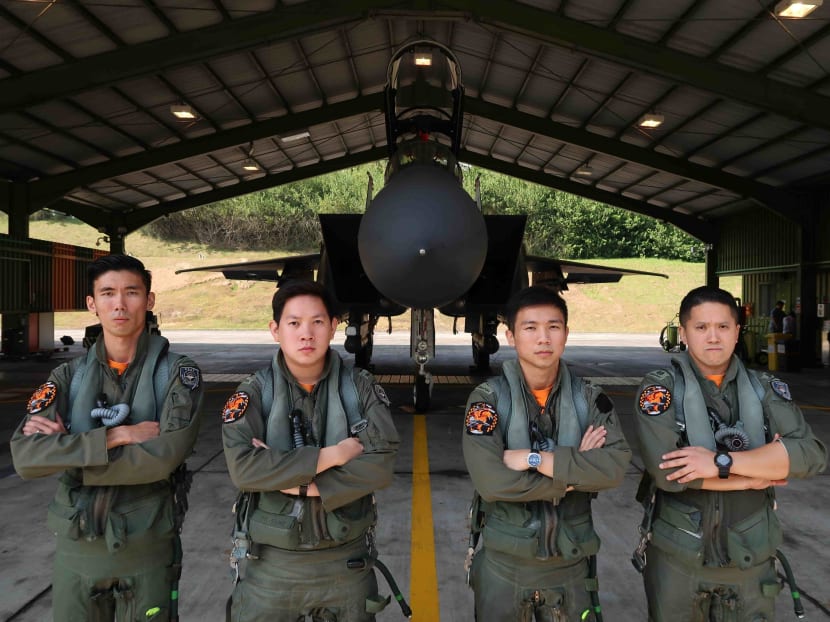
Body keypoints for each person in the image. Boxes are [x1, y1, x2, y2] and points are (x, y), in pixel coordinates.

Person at [10, 254, 205, 621]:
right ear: (92, 303)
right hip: (76, 550)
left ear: (149, 301)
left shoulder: (177, 373)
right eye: (108, 293)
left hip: (146, 549)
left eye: (131, 292)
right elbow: (25, 457)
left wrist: (68, 454)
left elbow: (164, 457)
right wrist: (115, 437)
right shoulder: (69, 376)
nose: (119, 304)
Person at [633, 286, 827, 622]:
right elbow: (668, 474)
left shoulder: (765, 389)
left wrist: (720, 463)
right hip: (679, 556)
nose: (713, 337)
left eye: (723, 327)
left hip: (750, 554)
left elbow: (811, 454)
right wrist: (758, 473)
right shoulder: (661, 389)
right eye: (701, 327)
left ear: (737, 332)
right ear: (683, 333)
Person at [222, 280, 400, 622]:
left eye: (317, 322)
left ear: (334, 326)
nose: (306, 334)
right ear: (275, 330)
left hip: (345, 565)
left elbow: (381, 464)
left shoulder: (360, 388)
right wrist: (334, 456)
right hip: (272, 569)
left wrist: (290, 478)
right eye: (294, 323)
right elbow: (244, 469)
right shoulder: (254, 392)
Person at [462, 285, 631, 621]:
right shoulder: (487, 400)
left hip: (571, 563)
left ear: (566, 334)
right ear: (511, 336)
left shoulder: (590, 399)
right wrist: (572, 474)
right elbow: (491, 482)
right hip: (504, 565)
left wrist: (530, 459)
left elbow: (612, 468)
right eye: (530, 328)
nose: (543, 338)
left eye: (553, 327)